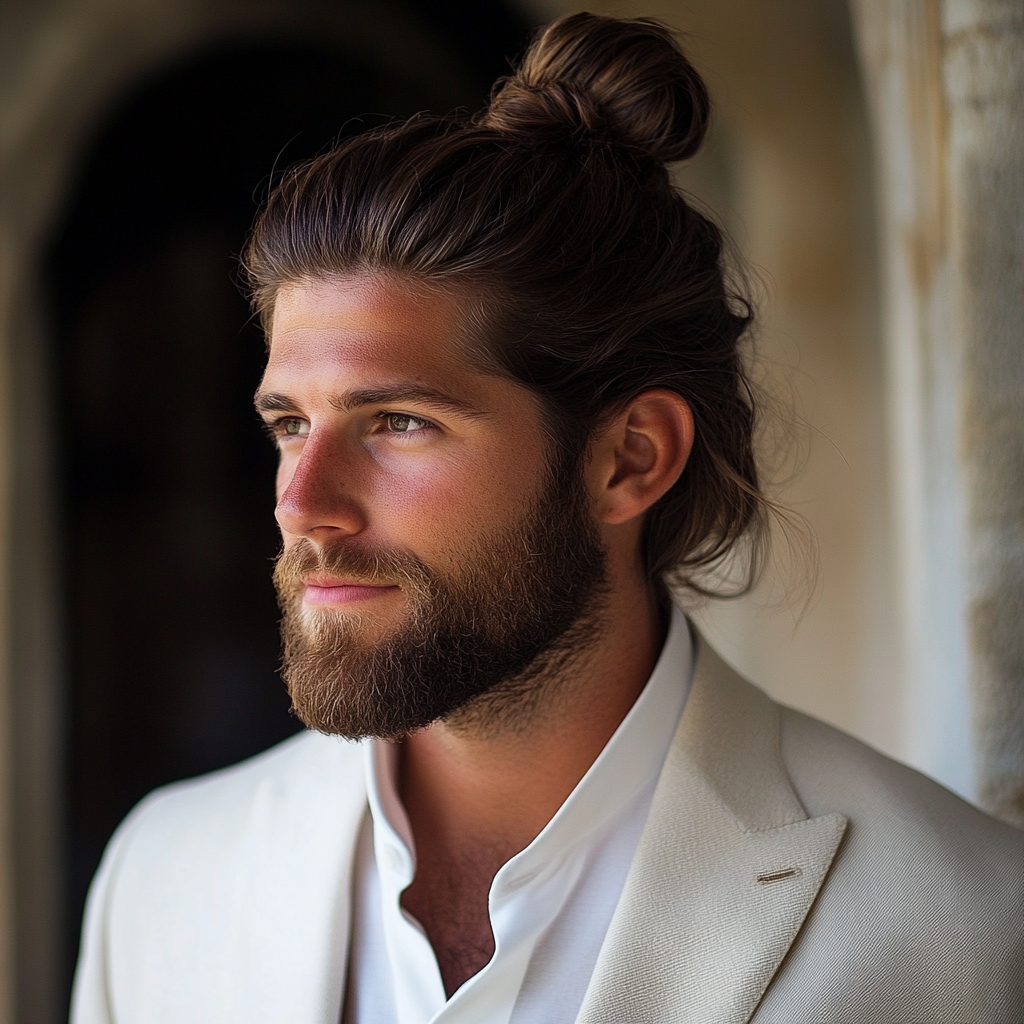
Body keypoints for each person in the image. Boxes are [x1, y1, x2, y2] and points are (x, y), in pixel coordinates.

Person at [71, 13, 1022, 1024]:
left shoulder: (960, 929)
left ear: (630, 459)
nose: (301, 505)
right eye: (289, 424)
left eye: (396, 422)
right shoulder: (160, 885)